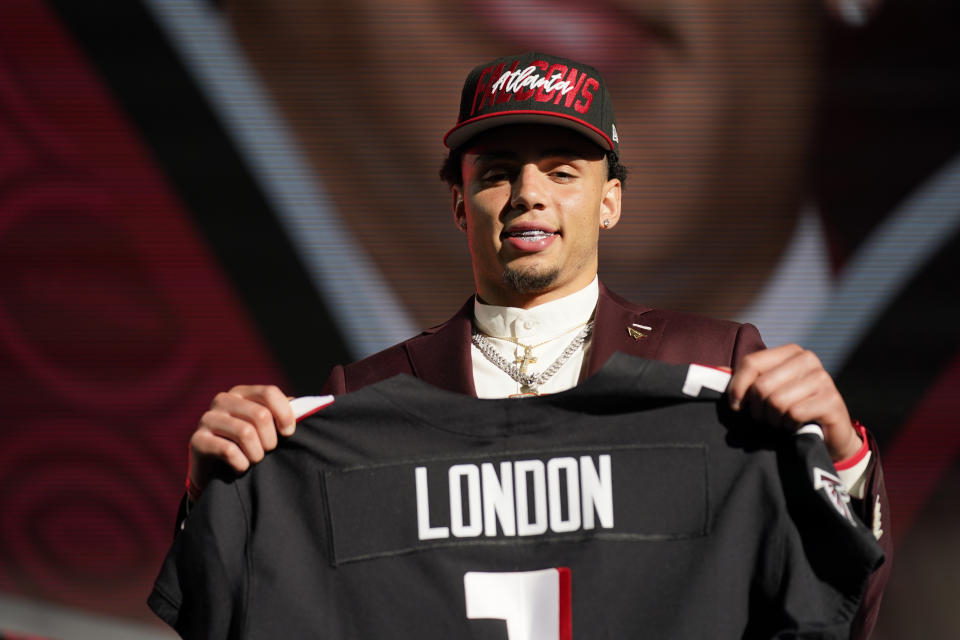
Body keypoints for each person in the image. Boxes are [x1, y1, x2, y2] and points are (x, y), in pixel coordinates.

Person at [183, 52, 890, 637]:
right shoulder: (361, 400)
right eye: (497, 173)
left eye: (562, 171)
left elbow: (838, 614)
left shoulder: (714, 366)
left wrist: (843, 459)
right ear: (461, 205)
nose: (529, 193)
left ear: (609, 201)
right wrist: (215, 491)